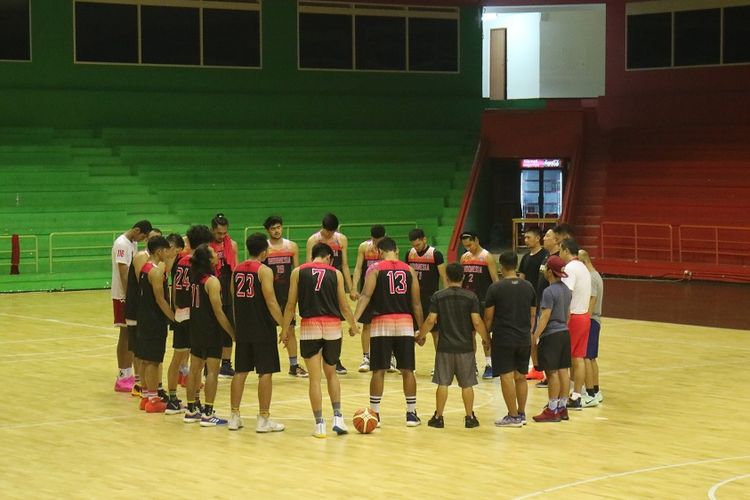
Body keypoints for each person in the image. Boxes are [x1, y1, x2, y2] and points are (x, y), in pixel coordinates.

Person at [281, 243, 360, 438]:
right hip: (332, 327)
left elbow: (291, 304)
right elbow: (344, 305)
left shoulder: (298, 272)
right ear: (329, 258)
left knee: (314, 379)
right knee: (331, 374)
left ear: (313, 255)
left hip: (309, 326)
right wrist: (353, 325)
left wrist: (285, 330)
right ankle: (338, 418)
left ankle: (319, 425)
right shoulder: (336, 274)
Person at [354, 237, 424, 428]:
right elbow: (416, 303)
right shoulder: (409, 270)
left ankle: (375, 414)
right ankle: (411, 414)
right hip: (405, 323)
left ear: (378, 251)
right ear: (397, 250)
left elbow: (366, 296)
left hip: (381, 323)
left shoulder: (376, 269)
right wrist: (422, 329)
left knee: (379, 370)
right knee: (407, 370)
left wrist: (354, 320)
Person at [419, 263, 488, 429]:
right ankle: (470, 417)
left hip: (445, 347)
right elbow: (477, 322)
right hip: (465, 347)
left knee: (442, 383)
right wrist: (486, 339)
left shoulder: (438, 296)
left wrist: (420, 336)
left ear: (447, 278)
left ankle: (439, 416)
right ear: (463, 277)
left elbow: (430, 320)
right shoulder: (471, 297)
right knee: (467, 384)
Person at [229, 234, 286, 432]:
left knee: (240, 371)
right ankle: (263, 418)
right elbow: (271, 302)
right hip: (262, 328)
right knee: (265, 372)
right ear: (264, 251)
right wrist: (284, 326)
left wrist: (236, 327)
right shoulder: (264, 270)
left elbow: (233, 301)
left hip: (243, 328)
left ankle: (234, 416)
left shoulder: (236, 270)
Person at [183, 244, 236, 427]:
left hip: (195, 328)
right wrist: (232, 333)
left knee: (194, 369)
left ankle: (191, 410)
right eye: (213, 253)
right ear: (209, 260)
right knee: (212, 371)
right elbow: (219, 312)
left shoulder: (194, 278)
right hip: (210, 330)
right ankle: (208, 413)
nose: (217, 254)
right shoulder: (212, 281)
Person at [484, 252, 536, 428]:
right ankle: (521, 413)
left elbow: (489, 317)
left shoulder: (496, 288)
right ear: (516, 265)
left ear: (501, 266)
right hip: (523, 337)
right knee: (521, 376)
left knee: (506, 377)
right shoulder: (528, 286)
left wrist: (486, 337)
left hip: (504, 338)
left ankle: (512, 416)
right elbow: (533, 314)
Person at [165, 226, 213, 415]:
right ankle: (195, 402)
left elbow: (175, 287)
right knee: (196, 361)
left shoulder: (180, 260)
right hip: (194, 314)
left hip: (180, 312)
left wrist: (176, 308)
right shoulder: (197, 263)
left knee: (178, 357)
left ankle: (172, 399)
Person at [305, 213, 352, 375]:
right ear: (322, 227)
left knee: (337, 321)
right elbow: (308, 265)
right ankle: (316, 357)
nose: (329, 235)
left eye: (332, 232)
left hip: (335, 283)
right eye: (327, 232)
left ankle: (335, 359)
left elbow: (345, 265)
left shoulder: (341, 239)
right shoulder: (313, 240)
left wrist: (351, 287)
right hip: (318, 286)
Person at [135, 236, 176, 413]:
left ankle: (145, 397)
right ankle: (153, 399)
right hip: (154, 319)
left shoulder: (144, 268)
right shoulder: (156, 271)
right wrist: (173, 318)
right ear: (159, 251)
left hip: (143, 316)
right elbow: (160, 300)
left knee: (144, 359)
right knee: (153, 360)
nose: (167, 253)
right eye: (166, 250)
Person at [263, 215, 307, 378]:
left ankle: (294, 365)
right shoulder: (264, 248)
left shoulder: (292, 246)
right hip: (268, 295)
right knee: (267, 331)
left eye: (279, 227)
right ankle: (267, 364)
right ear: (268, 230)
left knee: (290, 330)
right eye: (273, 228)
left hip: (287, 295)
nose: (277, 230)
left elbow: (297, 270)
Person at [112, 219, 152, 393]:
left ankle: (127, 373)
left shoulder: (131, 243)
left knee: (129, 334)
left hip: (127, 295)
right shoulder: (122, 244)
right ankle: (123, 374)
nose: (143, 240)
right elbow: (123, 271)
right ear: (136, 230)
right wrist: (130, 296)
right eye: (142, 236)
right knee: (125, 333)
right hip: (122, 295)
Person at [531, 256, 572, 423]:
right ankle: (562, 407)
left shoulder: (549, 291)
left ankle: (552, 408)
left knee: (552, 372)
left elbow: (545, 315)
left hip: (552, 334)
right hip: (564, 332)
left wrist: (536, 335)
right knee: (564, 371)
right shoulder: (566, 290)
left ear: (549, 271)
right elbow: (568, 314)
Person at [124, 227, 162, 398]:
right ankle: (140, 383)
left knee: (149, 352)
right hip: (138, 307)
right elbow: (144, 283)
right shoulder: (142, 258)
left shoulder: (157, 262)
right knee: (140, 348)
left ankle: (151, 386)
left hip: (149, 310)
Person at [350, 224, 390, 373]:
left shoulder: (390, 247)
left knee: (387, 326)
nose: (377, 243)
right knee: (367, 325)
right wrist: (354, 287)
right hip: (367, 290)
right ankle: (366, 357)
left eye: (379, 240)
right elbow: (358, 268)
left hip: (384, 291)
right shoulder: (364, 247)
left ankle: (389, 357)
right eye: (374, 240)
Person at [459, 231, 498, 379]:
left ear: (476, 240)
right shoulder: (464, 257)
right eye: (465, 246)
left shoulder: (487, 257)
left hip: (483, 300)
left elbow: (495, 280)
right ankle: (471, 364)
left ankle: (489, 365)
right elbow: (462, 280)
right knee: (469, 335)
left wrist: (497, 300)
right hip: (467, 301)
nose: (468, 248)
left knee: (485, 333)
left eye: (470, 244)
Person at [559, 238, 591, 410]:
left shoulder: (570, 268)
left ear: (565, 250)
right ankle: (576, 395)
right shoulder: (582, 266)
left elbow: (566, 294)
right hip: (584, 315)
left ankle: (562, 397)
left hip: (573, 317)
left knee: (564, 359)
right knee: (578, 358)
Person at [405, 228, 446, 354]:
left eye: (418, 244)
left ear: (424, 239)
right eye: (413, 245)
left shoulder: (435, 254)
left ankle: (439, 363)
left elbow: (443, 277)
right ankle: (409, 365)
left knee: (435, 332)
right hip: (414, 298)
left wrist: (444, 297)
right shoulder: (409, 254)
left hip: (431, 298)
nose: (416, 247)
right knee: (410, 333)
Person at [209, 213, 239, 379]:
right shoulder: (206, 246)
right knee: (212, 327)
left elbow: (235, 270)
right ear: (212, 230)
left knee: (228, 325)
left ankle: (226, 364)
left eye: (224, 233)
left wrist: (235, 295)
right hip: (211, 287)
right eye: (219, 233)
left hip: (227, 289)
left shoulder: (232, 245)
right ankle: (209, 364)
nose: (222, 236)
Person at [534, 227, 562, 388]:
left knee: (549, 342)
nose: (544, 238)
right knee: (544, 343)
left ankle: (552, 375)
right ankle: (547, 374)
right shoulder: (546, 256)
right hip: (541, 303)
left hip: (550, 307)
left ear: (556, 240)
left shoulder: (558, 259)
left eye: (548, 236)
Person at [578, 249, 604, 407]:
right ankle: (595, 390)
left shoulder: (591, 278)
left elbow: (591, 300)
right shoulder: (596, 275)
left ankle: (589, 394)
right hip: (594, 320)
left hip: (590, 320)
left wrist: (584, 320)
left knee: (586, 357)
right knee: (591, 358)